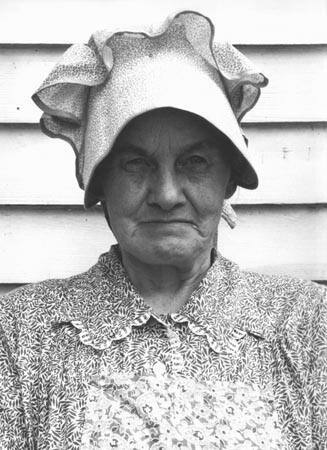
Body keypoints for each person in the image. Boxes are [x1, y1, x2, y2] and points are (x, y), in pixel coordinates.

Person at [0, 10, 326, 450]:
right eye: (136, 164)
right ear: (100, 183)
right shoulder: (22, 335)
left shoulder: (307, 325)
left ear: (228, 178)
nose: (167, 194)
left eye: (195, 162)